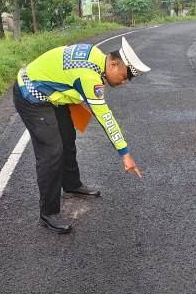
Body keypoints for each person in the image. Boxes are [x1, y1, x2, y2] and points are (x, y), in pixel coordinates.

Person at [12, 37, 150, 234]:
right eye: (125, 76)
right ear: (113, 63)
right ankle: (48, 213)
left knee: (67, 138)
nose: (124, 82)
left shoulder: (96, 55)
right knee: (51, 152)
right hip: (32, 96)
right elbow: (106, 118)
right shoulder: (89, 77)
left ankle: (71, 184)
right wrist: (125, 153)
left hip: (53, 95)